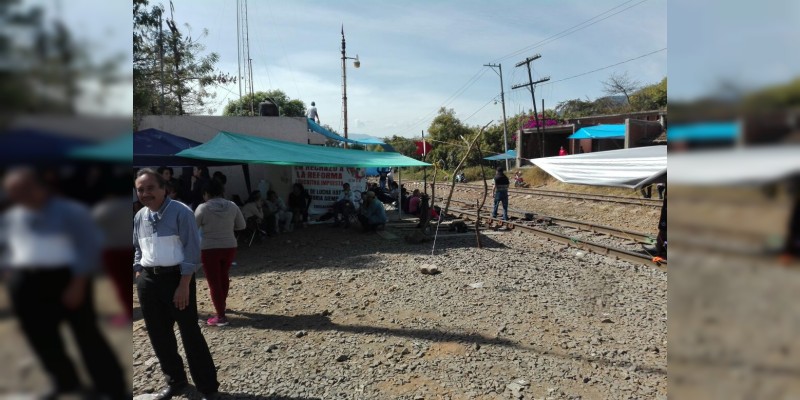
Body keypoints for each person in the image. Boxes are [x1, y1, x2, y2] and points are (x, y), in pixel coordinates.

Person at [2, 168, 127, 399]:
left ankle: (111, 389)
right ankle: (65, 381)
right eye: (14, 192)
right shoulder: (13, 216)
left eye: (25, 190)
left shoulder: (71, 211)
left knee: (86, 335)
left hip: (67, 278)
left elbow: (88, 248)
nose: (21, 196)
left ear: (42, 186)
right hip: (25, 280)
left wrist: (78, 284)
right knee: (41, 337)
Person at [133, 168, 220, 400]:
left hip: (177, 280)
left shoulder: (181, 213)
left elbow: (192, 251)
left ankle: (208, 387)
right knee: (159, 335)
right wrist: (139, 271)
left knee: (189, 333)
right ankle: (176, 381)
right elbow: (137, 248)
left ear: (164, 189)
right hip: (149, 282)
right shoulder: (139, 216)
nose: (145, 193)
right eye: (140, 189)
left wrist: (184, 284)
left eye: (151, 188)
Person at [195, 180, 246, 327]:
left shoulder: (203, 208)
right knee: (224, 275)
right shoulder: (232, 206)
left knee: (214, 282)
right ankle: (221, 305)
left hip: (210, 248)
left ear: (206, 194)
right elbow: (242, 225)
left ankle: (221, 316)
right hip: (230, 246)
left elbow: (193, 226)